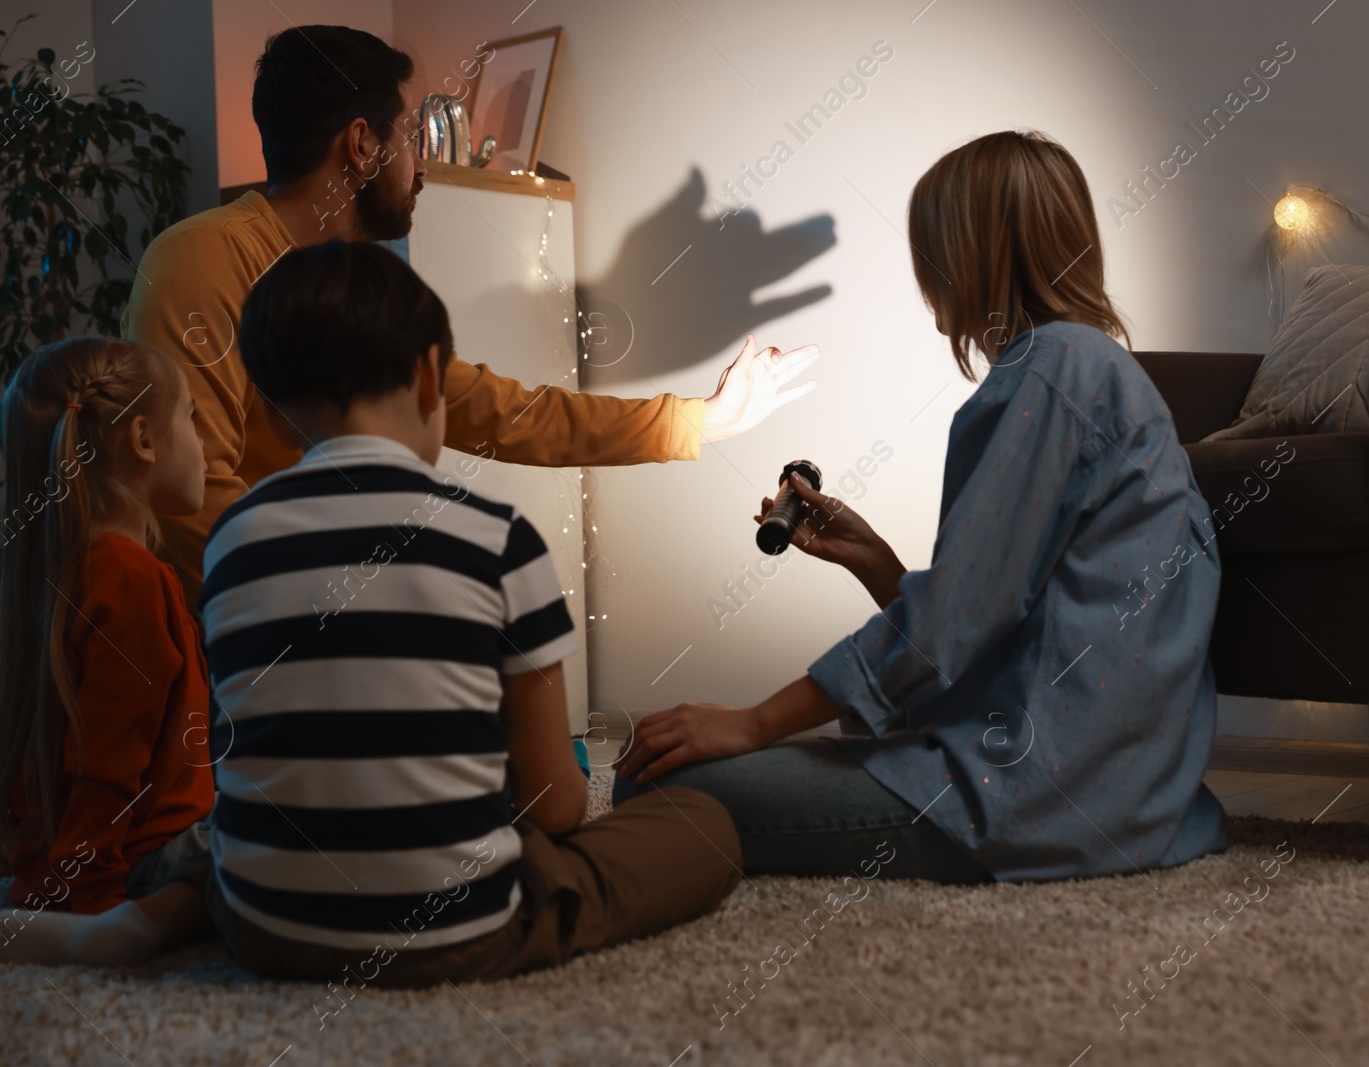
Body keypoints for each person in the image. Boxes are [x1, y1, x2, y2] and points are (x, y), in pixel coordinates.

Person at [614, 130, 1229, 884]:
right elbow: (994, 615)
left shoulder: (1048, 373)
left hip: (1027, 795)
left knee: (651, 781)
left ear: (969, 254)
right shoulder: (1100, 370)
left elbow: (952, 626)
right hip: (1135, 797)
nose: (923, 275)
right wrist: (875, 561)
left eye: (930, 250)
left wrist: (749, 722)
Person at [195, 240, 739, 986]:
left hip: (262, 929)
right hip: (460, 930)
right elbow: (553, 803)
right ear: (429, 375)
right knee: (704, 825)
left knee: (200, 842)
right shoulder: (496, 537)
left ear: (269, 406)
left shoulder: (229, 540)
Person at [124, 24, 819, 606]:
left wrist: (699, 420)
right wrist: (357, 611)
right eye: (409, 139)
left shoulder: (360, 294)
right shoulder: (201, 261)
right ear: (361, 144)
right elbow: (188, 505)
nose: (421, 168)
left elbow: (506, 414)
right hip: (245, 675)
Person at [0, 338, 216, 965]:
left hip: (83, 855)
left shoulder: (64, 570)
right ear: (144, 440)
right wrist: (87, 897)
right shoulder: (129, 575)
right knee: (273, 836)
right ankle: (122, 930)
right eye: (192, 421)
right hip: (140, 864)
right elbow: (108, 761)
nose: (203, 445)